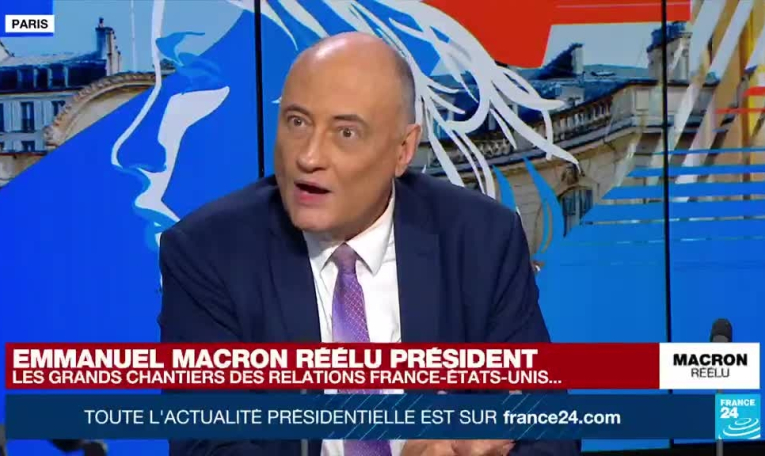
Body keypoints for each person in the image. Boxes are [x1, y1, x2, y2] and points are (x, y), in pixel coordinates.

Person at [159, 32, 580, 456]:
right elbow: (209, 444)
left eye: (346, 132)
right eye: (297, 122)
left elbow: (550, 433)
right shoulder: (208, 253)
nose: (308, 157)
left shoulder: (480, 240)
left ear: (403, 150)